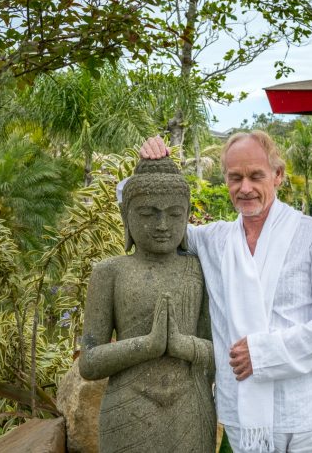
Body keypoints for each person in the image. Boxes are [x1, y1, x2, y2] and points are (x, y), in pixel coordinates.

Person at [140, 131, 312, 453]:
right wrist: (147, 167)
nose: (245, 188)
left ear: (277, 175)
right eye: (235, 177)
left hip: (310, 414)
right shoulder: (214, 241)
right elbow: (150, 220)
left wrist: (263, 353)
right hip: (243, 416)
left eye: (256, 176)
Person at [79, 157, 216, 453]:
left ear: (187, 215)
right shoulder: (110, 272)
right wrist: (148, 345)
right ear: (126, 215)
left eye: (174, 214)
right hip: (127, 410)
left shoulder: (199, 269)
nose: (162, 225)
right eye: (147, 213)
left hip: (190, 410)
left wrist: (181, 345)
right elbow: (88, 363)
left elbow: (219, 354)